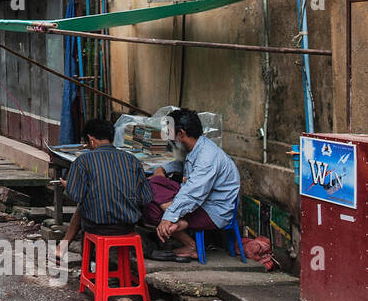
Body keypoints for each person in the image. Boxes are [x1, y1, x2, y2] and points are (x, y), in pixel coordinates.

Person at [146, 109, 240, 261]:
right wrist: (162, 169)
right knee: (151, 197)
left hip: (212, 210)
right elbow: (181, 165)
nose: (170, 140)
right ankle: (188, 241)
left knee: (155, 198)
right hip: (199, 202)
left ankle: (176, 222)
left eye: (171, 135)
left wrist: (169, 217)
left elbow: (193, 193)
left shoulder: (207, 156)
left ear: (181, 134)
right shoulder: (194, 148)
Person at [55, 118, 154, 263]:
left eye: (87, 144)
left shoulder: (83, 161)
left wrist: (68, 185)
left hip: (98, 226)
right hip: (127, 226)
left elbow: (76, 195)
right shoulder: (132, 160)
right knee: (88, 203)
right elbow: (146, 198)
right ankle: (65, 248)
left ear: (91, 139)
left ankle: (87, 264)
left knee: (82, 206)